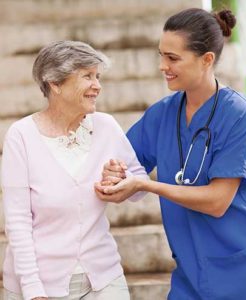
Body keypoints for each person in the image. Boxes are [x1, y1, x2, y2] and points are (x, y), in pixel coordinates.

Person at [95, 8, 246, 300]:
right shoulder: (162, 114)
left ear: (207, 60)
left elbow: (217, 201)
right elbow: (124, 162)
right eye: (161, 55)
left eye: (173, 58)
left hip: (244, 271)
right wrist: (114, 173)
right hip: (190, 274)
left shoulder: (239, 114)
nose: (163, 66)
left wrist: (145, 184)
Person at [1, 40, 148, 300]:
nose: (97, 86)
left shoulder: (106, 126)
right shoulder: (21, 136)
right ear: (54, 84)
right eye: (87, 76)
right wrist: (33, 289)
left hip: (103, 276)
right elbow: (17, 221)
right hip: (41, 282)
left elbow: (139, 186)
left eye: (98, 76)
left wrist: (121, 180)